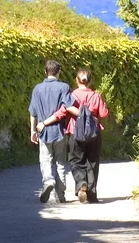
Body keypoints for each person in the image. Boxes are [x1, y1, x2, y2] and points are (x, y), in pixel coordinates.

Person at [29, 60, 79, 203]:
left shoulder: (37, 89)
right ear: (59, 72)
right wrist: (84, 114)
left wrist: (33, 131)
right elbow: (69, 106)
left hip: (43, 130)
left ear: (46, 72)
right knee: (61, 163)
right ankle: (60, 194)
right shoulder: (64, 87)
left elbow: (32, 112)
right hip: (59, 130)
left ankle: (48, 181)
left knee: (45, 160)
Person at [65, 68, 109, 203]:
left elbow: (64, 111)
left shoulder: (72, 96)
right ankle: (92, 194)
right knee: (93, 162)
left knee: (76, 161)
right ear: (89, 81)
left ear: (76, 80)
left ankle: (81, 183)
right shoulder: (96, 95)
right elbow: (104, 114)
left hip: (75, 132)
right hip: (93, 133)